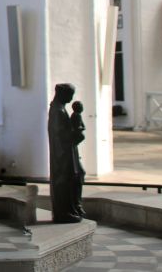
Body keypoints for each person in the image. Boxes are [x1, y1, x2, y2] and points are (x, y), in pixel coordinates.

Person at [48, 83, 82, 223]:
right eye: (70, 95)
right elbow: (59, 135)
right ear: (62, 94)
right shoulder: (58, 111)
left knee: (76, 177)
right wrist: (75, 135)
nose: (71, 98)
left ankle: (72, 208)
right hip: (62, 155)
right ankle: (64, 212)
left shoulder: (59, 108)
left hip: (66, 152)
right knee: (64, 181)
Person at [70, 100, 87, 217]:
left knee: (80, 174)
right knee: (78, 175)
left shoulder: (76, 116)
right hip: (71, 152)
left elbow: (82, 127)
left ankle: (77, 203)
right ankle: (77, 204)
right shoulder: (75, 116)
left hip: (73, 150)